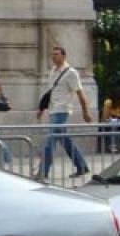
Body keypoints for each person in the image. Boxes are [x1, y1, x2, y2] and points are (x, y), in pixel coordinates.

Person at [35, 45, 92, 180]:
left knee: (49, 142)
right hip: (53, 110)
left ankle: (43, 171)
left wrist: (86, 112)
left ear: (63, 56)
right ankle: (81, 165)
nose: (53, 57)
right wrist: (42, 109)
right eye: (52, 54)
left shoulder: (71, 72)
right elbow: (50, 93)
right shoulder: (53, 71)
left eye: (56, 54)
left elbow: (80, 93)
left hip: (62, 110)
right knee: (65, 141)